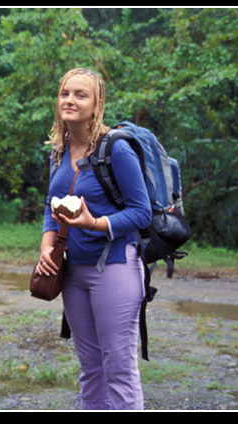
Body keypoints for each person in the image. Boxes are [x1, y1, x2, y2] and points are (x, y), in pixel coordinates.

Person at [36, 68, 152, 410]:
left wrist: (95, 223)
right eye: (65, 93)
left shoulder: (115, 149)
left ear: (97, 103)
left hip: (114, 267)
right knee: (90, 370)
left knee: (118, 369)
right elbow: (50, 205)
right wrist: (47, 246)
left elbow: (141, 213)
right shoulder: (59, 150)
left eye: (80, 95)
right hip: (73, 273)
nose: (69, 100)